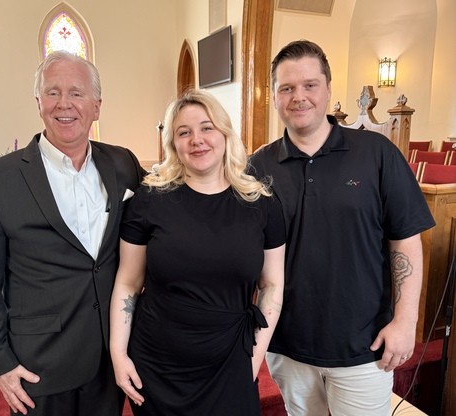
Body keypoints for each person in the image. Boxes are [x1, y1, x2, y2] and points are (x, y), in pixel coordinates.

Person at [250, 40, 436, 416]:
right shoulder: (258, 167)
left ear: (328, 88)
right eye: (286, 88)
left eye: (310, 85)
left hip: (363, 344)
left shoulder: (376, 153)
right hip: (287, 345)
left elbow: (405, 240)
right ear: (274, 96)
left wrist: (406, 321)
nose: (298, 97)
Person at [0, 50, 145, 416]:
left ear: (97, 106)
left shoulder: (123, 163)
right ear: (38, 103)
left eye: (77, 93)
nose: (64, 104)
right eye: (52, 92)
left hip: (110, 356)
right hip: (39, 364)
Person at [109, 89, 286, 416]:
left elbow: (272, 284)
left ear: (224, 133)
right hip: (157, 364)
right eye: (184, 132)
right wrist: (118, 354)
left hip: (231, 358)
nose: (197, 140)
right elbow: (128, 282)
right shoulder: (149, 199)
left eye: (207, 128)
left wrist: (254, 358)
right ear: (173, 144)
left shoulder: (261, 203)